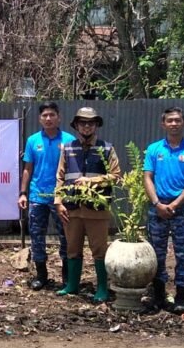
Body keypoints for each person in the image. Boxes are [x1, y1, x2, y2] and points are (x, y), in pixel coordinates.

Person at [54, 107, 121, 304]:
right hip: (72, 208)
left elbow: (116, 176)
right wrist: (58, 202)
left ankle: (102, 288)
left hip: (97, 209)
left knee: (99, 250)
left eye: (90, 123)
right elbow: (60, 176)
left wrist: (91, 181)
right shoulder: (67, 148)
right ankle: (72, 286)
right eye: (82, 122)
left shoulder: (107, 148)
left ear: (96, 125)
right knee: (72, 248)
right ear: (76, 125)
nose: (86, 126)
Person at [142, 107, 184, 314]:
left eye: (178, 120)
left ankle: (181, 298)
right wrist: (157, 204)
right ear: (163, 124)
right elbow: (147, 177)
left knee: (183, 254)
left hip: (181, 208)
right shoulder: (154, 149)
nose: (174, 124)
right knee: (156, 254)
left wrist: (175, 205)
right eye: (170, 120)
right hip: (157, 208)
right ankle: (158, 296)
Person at [19, 101, 74, 291]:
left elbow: (73, 170)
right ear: (40, 119)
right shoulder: (33, 141)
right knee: (37, 236)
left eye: (52, 115)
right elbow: (28, 168)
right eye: (45, 116)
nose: (48, 119)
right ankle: (41, 276)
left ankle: (68, 278)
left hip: (61, 197)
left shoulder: (69, 140)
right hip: (37, 196)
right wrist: (23, 193)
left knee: (66, 237)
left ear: (58, 117)